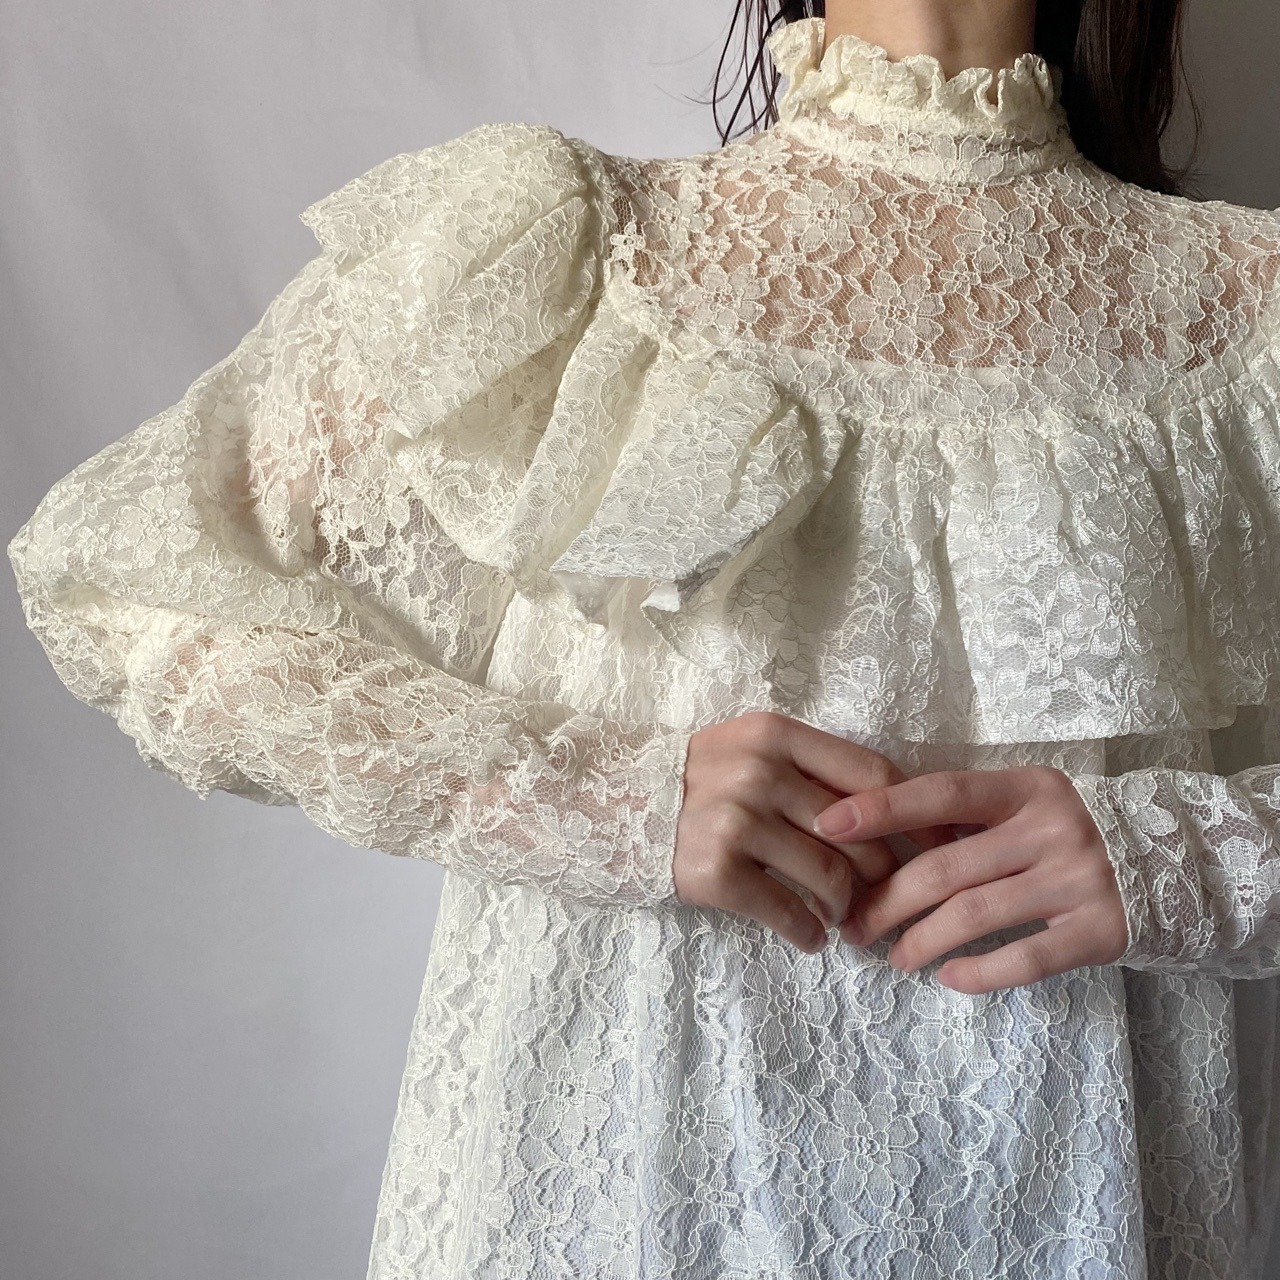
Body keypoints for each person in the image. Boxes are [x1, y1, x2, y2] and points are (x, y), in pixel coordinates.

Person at [8, 0, 1280, 1274]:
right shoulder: (568, 257)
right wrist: (600, 800)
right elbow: (127, 589)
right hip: (615, 1180)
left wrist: (1184, 856)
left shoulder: (1250, 307)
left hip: (1082, 1188)